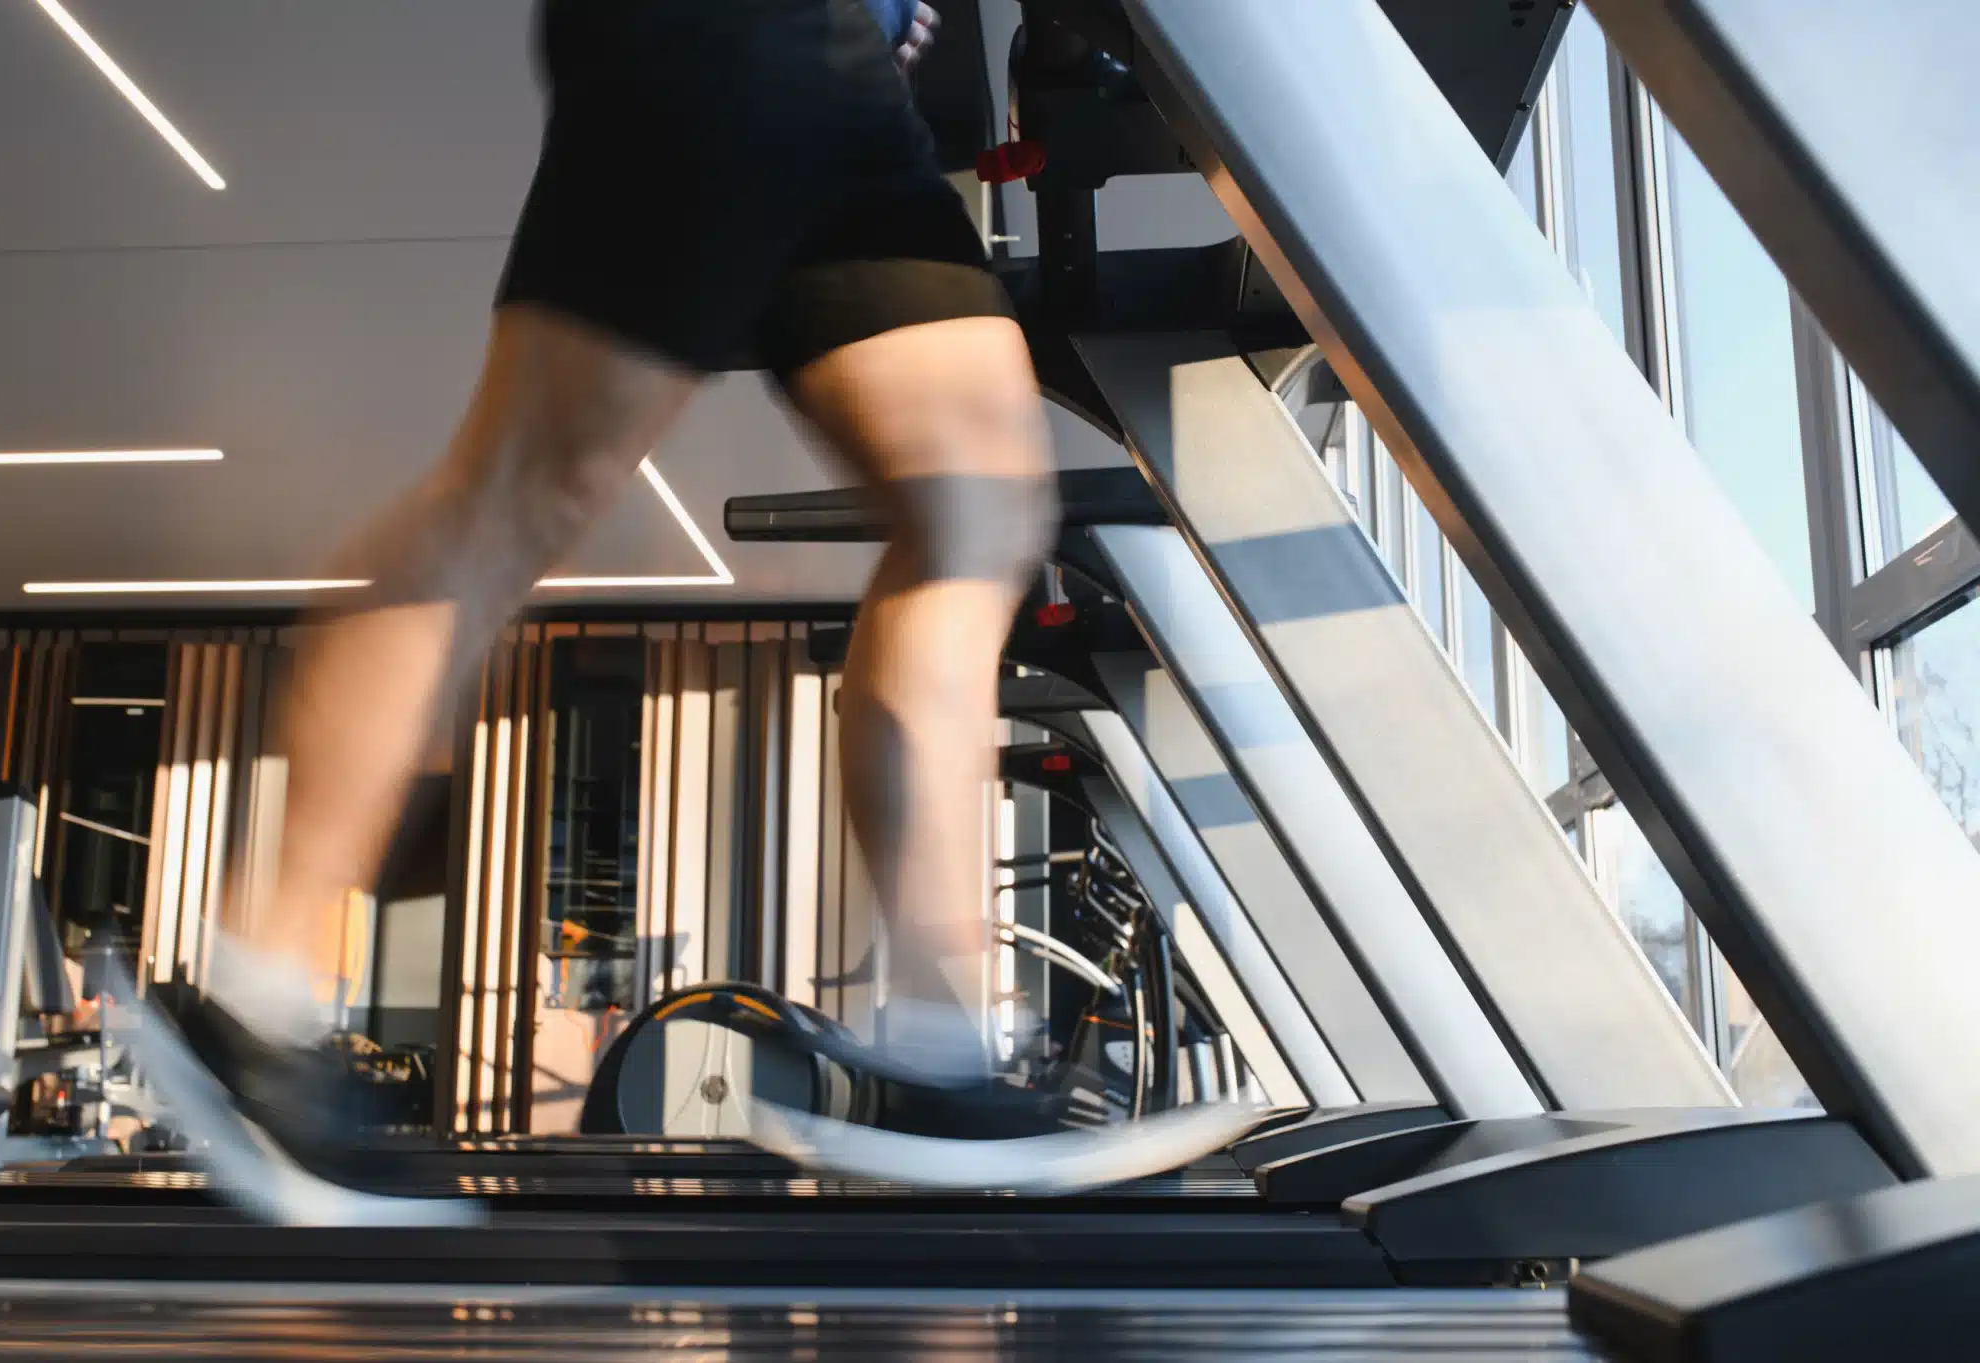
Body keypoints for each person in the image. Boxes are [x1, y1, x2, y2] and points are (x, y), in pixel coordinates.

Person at [115, 0, 1260, 1224]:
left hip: (853, 81)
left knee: (976, 511)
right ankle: (251, 996)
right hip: (725, 32)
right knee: (524, 486)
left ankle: (939, 1059)